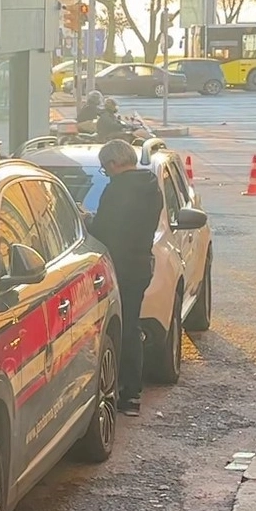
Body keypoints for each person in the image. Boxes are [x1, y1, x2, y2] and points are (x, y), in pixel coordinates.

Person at [85, 139, 164, 417]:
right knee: (131, 325)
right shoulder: (151, 186)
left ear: (114, 163)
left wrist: (87, 219)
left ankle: (124, 390)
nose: (106, 173)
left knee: (119, 327)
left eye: (105, 168)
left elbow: (104, 230)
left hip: (119, 267)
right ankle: (131, 392)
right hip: (140, 265)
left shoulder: (117, 189)